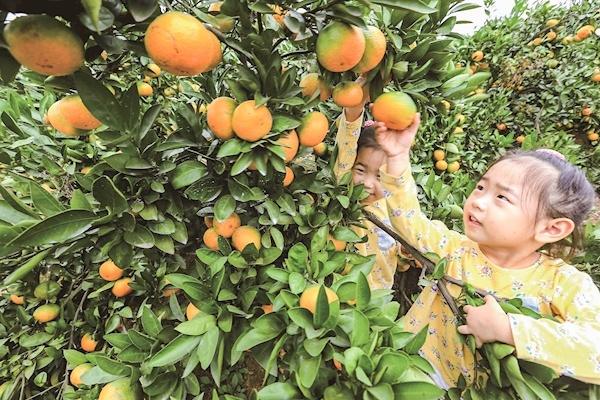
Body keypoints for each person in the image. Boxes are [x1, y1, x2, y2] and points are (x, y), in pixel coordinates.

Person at [371, 114, 600, 388]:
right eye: (481, 187)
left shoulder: (564, 284)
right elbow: (408, 222)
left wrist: (509, 330)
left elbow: (595, 351)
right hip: (415, 366)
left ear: (550, 229)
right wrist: (397, 157)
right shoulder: (453, 249)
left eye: (502, 197)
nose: (478, 201)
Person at [333, 78, 414, 290]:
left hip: (378, 297)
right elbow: (347, 141)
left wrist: (405, 253)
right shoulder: (345, 199)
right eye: (360, 170)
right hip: (341, 292)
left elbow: (397, 253)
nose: (367, 183)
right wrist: (357, 100)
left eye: (380, 177)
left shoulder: (394, 210)